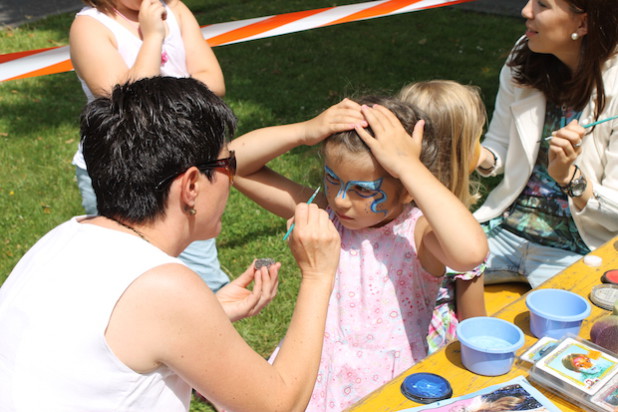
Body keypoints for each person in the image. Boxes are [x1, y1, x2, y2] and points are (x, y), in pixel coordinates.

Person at [0, 77, 342, 412]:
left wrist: (209, 314)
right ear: (191, 185)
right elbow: (279, 405)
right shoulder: (165, 288)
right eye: (228, 165)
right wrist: (317, 274)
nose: (232, 177)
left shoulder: (66, 236)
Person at [229, 96, 488, 410]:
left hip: (384, 390)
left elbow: (471, 252)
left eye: (363, 190)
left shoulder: (416, 235)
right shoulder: (326, 215)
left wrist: (408, 165)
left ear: (407, 188)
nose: (340, 200)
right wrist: (305, 131)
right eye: (331, 180)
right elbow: (233, 164)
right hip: (311, 378)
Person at [69, 0, 229, 291]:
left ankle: (208, 324)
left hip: (184, 164)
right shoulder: (91, 27)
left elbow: (214, 81)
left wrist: (160, 108)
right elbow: (127, 104)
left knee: (201, 272)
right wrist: (153, 37)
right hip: (121, 171)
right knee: (126, 274)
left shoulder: (176, 10)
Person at [473, 0, 618, 288]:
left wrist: (569, 178)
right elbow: (499, 146)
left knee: (576, 330)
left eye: (542, 4)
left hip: (578, 250)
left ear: (583, 24)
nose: (526, 11)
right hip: (505, 229)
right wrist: (472, 154)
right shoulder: (525, 54)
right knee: (420, 276)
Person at [398, 80, 488, 354]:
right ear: (460, 154)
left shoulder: (386, 214)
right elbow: (476, 326)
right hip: (431, 350)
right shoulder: (456, 233)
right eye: (477, 139)